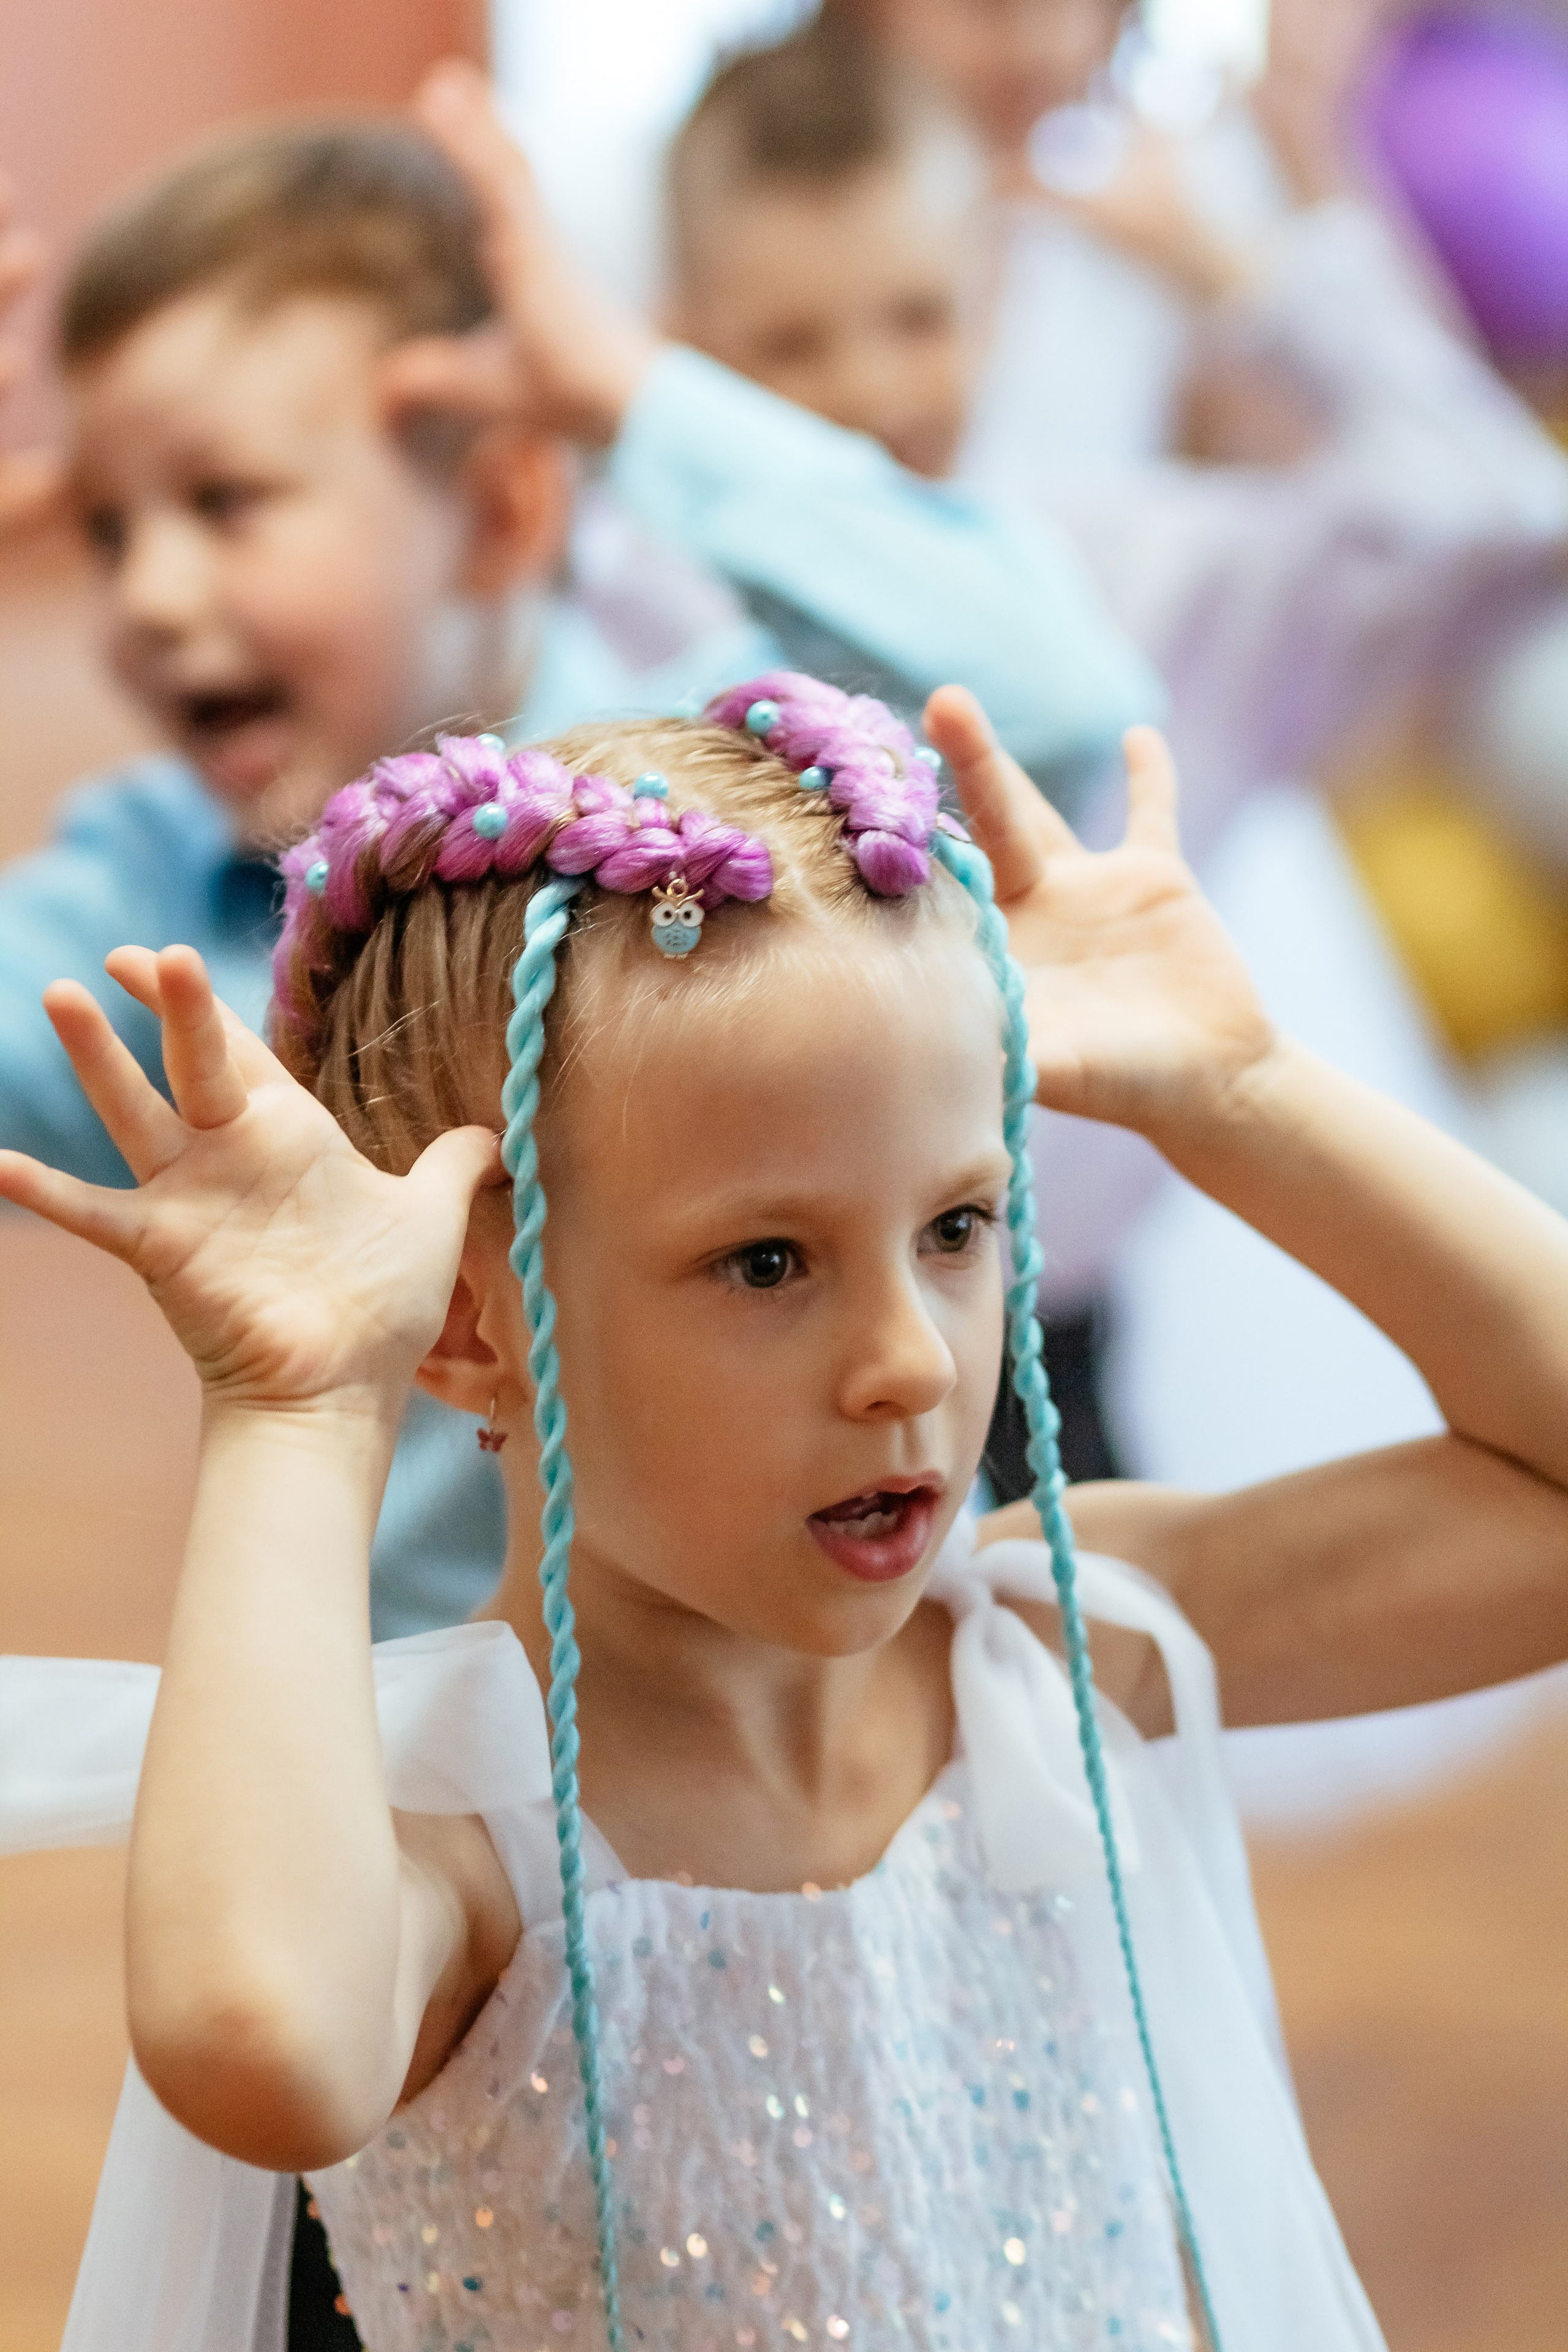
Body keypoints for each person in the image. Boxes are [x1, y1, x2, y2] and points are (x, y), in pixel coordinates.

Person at [6, 673, 1568, 2350]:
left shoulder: (1060, 1650)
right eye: (769, 1264)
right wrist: (302, 1412)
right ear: (475, 1327)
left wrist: (1242, 1092)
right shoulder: (472, 1853)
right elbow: (265, 2043)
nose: (907, 1361)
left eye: (957, 1227)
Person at [0, 76, 1161, 1638]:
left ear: (497, 512)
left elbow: (1053, 685)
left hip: (834, 1690)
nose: (145, 597)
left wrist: (631, 394)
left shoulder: (719, 786)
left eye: (224, 502)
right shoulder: (156, 910)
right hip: (450, 1739)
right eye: (112, 529)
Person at [662, 10, 1568, 1500]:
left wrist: (1246, 270)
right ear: (689, 350)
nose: (868, 394)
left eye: (914, 319)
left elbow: (1495, 518)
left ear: (989, 293)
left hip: (1050, 1348)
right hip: (744, 1359)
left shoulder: (1123, 570)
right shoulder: (655, 624)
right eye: (789, 343)